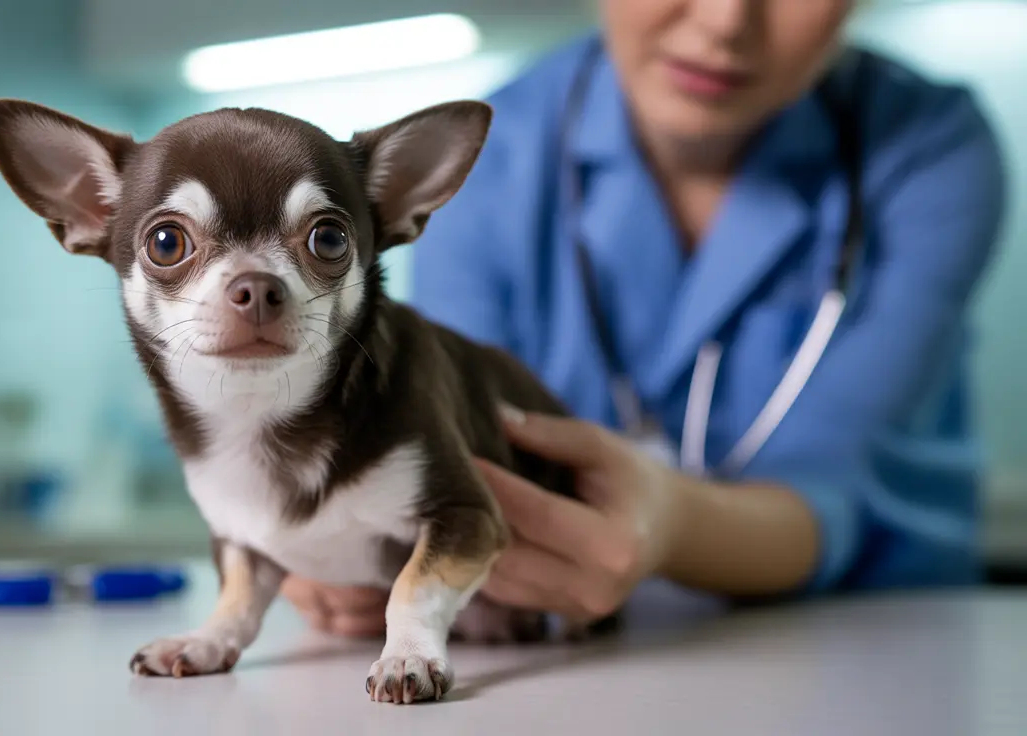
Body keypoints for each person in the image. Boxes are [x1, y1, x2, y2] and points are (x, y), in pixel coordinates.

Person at [282, 0, 1008, 636]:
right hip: (543, 643)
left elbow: (837, 479)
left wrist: (669, 524)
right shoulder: (484, 154)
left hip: (877, 636)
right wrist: (355, 542)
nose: (726, 20)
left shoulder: (931, 148)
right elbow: (458, 446)